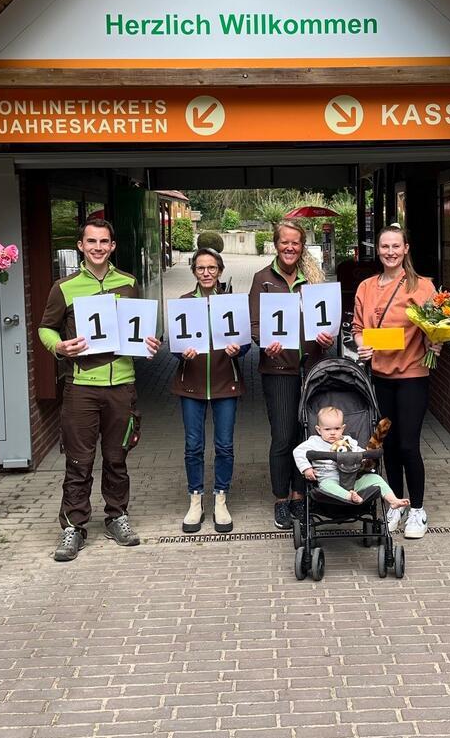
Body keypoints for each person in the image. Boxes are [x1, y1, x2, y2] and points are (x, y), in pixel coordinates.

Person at [38, 219, 160, 561]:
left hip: (122, 384)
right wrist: (59, 347)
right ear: (80, 245)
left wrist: (152, 342)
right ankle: (73, 526)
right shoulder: (64, 287)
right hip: (81, 386)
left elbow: (141, 330)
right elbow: (45, 329)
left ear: (112, 246)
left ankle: (117, 516)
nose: (97, 247)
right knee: (79, 460)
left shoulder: (129, 283)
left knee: (117, 458)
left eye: (104, 241)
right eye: (91, 241)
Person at [352, 224, 442, 539]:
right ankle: (396, 504)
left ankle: (417, 509)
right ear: (378, 250)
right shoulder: (366, 287)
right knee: (387, 443)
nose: (390, 252)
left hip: (413, 375)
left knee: (408, 444)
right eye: (384, 247)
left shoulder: (423, 287)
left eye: (396, 246)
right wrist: (362, 343)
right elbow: (358, 327)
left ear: (405, 249)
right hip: (380, 377)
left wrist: (437, 341)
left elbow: (436, 326)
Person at [249, 220, 335, 530]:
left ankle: (300, 496)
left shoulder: (313, 279)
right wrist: (263, 342)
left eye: (295, 243)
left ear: (302, 246)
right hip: (278, 370)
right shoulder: (263, 279)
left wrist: (328, 338)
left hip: (311, 369)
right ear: (276, 244)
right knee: (284, 436)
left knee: (306, 435)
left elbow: (328, 321)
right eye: (284, 242)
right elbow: (255, 324)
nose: (290, 247)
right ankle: (281, 500)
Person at [172, 248, 247, 533]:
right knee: (194, 446)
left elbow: (246, 345)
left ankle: (220, 498)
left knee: (224, 445)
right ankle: (195, 500)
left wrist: (238, 349)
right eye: (201, 268)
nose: (206, 273)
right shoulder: (184, 303)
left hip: (225, 382)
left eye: (212, 268)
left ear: (220, 271)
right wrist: (182, 353)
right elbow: (174, 348)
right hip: (190, 384)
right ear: (193, 271)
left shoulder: (230, 302)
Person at [293, 406, 409, 508]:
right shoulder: (314, 442)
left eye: (337, 429)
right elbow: (298, 451)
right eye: (327, 429)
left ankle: (393, 500)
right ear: (319, 430)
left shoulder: (348, 441)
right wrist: (306, 468)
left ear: (343, 428)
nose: (332, 433)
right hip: (329, 478)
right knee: (326, 486)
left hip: (353, 479)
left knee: (376, 479)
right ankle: (350, 497)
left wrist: (365, 458)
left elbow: (360, 452)